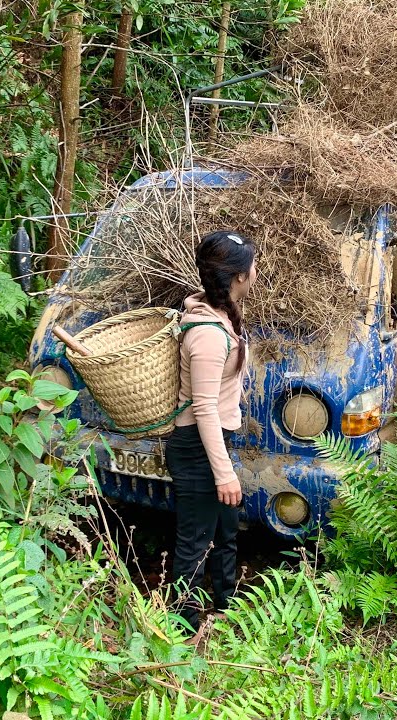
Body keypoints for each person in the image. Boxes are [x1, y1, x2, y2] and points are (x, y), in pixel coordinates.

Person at [167, 229, 257, 634]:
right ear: (238, 277)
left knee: (225, 530)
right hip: (198, 448)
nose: (256, 271)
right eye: (252, 266)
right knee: (193, 542)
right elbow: (203, 407)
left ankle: (226, 603)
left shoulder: (220, 313)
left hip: (215, 441)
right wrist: (223, 472)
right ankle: (182, 630)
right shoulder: (206, 332)